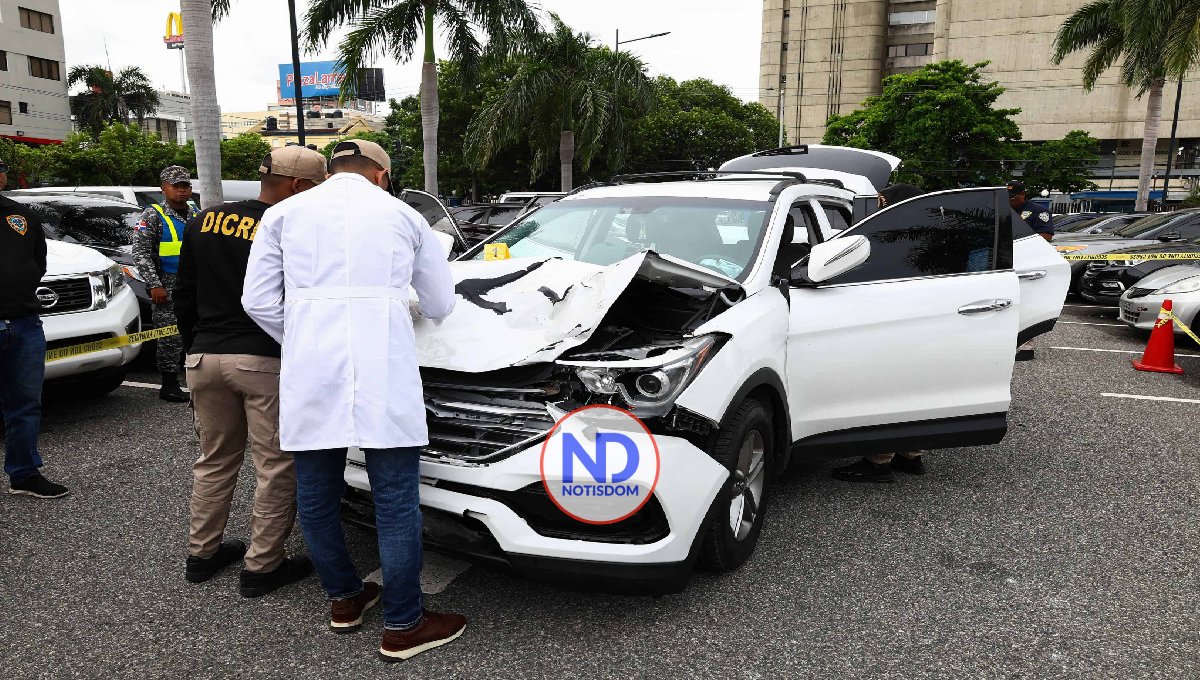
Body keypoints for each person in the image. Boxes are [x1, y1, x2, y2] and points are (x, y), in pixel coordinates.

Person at [242, 139, 462, 661]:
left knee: (317, 496)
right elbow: (440, 303)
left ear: (333, 169)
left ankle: (344, 599)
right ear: (381, 175)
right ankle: (405, 624)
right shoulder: (404, 216)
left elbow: (256, 301)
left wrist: (302, 334)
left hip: (310, 371)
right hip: (383, 368)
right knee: (395, 500)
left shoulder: (283, 215)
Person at [174, 148, 328, 596]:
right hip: (262, 360)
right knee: (276, 464)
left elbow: (185, 293)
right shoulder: (289, 225)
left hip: (204, 357)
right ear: (298, 187)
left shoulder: (204, 219)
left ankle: (201, 555)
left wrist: (194, 350)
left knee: (214, 461)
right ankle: (262, 566)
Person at [831, 181, 929, 484]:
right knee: (912, 389)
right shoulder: (928, 233)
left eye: (884, 200)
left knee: (885, 389)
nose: (879, 205)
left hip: (892, 324)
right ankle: (911, 455)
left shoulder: (892, 235)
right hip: (924, 325)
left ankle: (879, 460)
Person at [0, 158, 69, 499]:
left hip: (24, 321)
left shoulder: (21, 215)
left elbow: (37, 262)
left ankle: (24, 474)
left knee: (25, 404)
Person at [132, 166, 199, 402]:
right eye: (176, 186)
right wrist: (154, 284)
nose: (182, 190)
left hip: (193, 284)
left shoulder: (194, 212)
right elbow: (140, 253)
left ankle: (193, 378)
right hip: (166, 283)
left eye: (185, 186)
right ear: (164, 188)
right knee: (170, 337)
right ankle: (169, 385)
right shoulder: (153, 214)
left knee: (194, 331)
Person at [1008, 180, 1054, 361]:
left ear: (1022, 195)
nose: (1009, 201)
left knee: (1025, 304)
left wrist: (1020, 240)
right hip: (1006, 263)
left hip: (1028, 264)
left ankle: (1027, 348)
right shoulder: (1005, 210)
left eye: (1012, 198)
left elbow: (1047, 236)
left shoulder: (1038, 211)